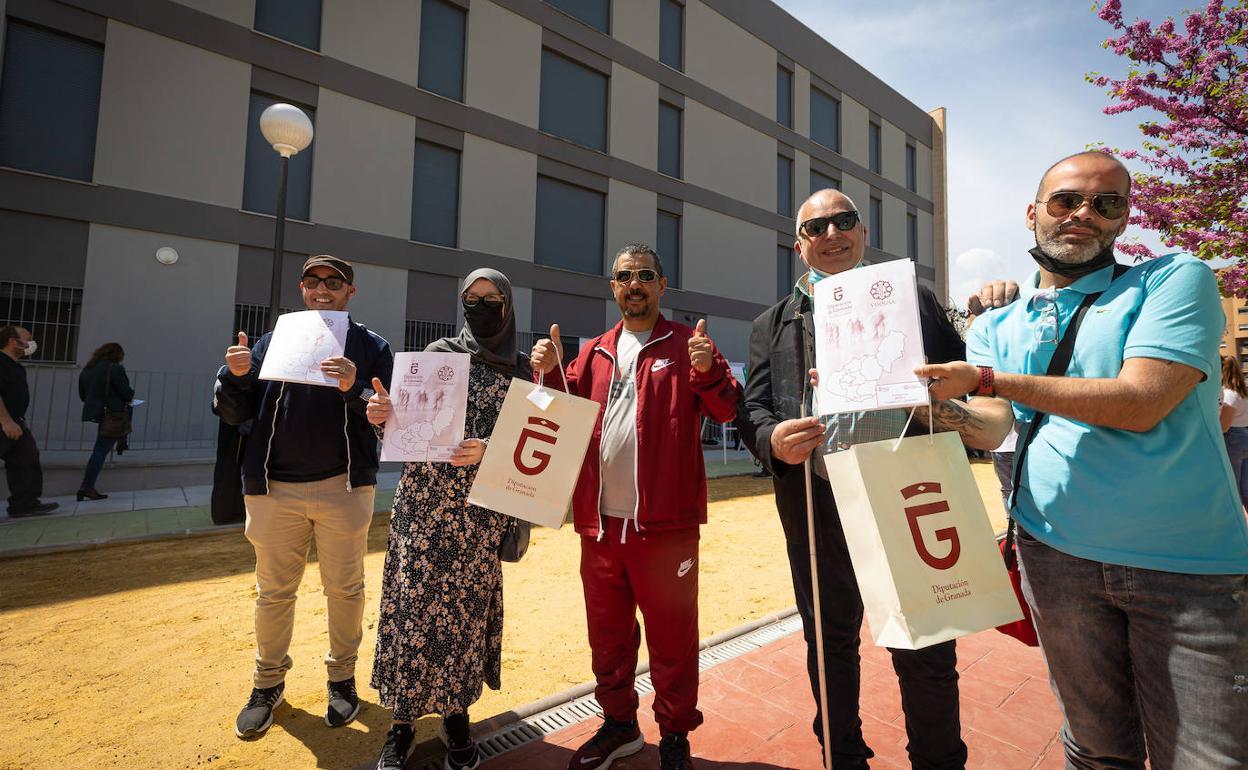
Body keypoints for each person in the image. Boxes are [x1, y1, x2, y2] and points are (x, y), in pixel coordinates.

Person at [920, 150, 1248, 770]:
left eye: (1107, 203)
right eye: (1066, 199)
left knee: (1210, 758)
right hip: (1055, 558)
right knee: (1096, 750)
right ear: (1031, 213)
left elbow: (1140, 400)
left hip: (1186, 570)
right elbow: (993, 427)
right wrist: (918, 408)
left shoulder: (1174, 279)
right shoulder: (996, 323)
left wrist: (990, 379)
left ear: (1125, 219)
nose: (1084, 214)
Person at [737, 189, 1007, 770]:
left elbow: (971, 376)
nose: (831, 233)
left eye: (844, 221)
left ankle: (938, 760)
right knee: (829, 640)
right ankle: (844, 756)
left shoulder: (915, 300)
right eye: (816, 227)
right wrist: (773, 440)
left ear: (863, 232)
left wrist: (990, 315)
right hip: (817, 500)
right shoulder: (771, 324)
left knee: (927, 640)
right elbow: (752, 410)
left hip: (907, 490)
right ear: (799, 244)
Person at [530, 244, 741, 770]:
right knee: (607, 637)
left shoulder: (684, 344)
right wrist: (551, 372)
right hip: (599, 526)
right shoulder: (596, 350)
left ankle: (674, 738)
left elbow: (726, 408)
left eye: (645, 275)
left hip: (664, 527)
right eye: (625, 276)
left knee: (672, 638)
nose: (635, 284)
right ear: (613, 287)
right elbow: (564, 412)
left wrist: (710, 368)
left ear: (662, 285)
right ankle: (620, 726)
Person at [215, 255, 394, 739]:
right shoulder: (274, 342)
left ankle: (342, 678)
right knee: (273, 592)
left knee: (346, 588)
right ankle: (267, 683)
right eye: (313, 282)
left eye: (333, 283)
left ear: (349, 292)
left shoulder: (372, 346)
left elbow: (388, 414)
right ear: (301, 288)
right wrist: (234, 377)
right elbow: (235, 414)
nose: (322, 290)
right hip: (274, 489)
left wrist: (355, 388)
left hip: (345, 486)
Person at [366, 269, 530, 770]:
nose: (479, 307)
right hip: (423, 509)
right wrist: (381, 417)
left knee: (463, 618)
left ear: (507, 305)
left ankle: (456, 715)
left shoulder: (522, 370)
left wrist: (489, 448)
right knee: (413, 611)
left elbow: (537, 443)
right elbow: (402, 434)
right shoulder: (436, 356)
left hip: (480, 517)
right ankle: (402, 723)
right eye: (470, 299)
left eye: (491, 299)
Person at [0, 325, 57, 517]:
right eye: (28, 338)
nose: (31, 343)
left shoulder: (14, 365)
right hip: (5, 422)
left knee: (27, 459)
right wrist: (5, 421)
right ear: (12, 341)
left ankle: (24, 504)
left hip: (16, 422)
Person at [76, 342, 134, 501]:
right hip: (113, 413)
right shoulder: (114, 368)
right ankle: (87, 486)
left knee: (100, 447)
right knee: (100, 450)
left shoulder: (87, 370)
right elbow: (127, 393)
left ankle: (122, 441)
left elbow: (83, 395)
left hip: (97, 412)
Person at [1218, 355, 1248, 509]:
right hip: (1244, 437)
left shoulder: (1229, 394)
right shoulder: (1243, 394)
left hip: (1233, 439)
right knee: (1246, 488)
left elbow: (1224, 426)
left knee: (1233, 485)